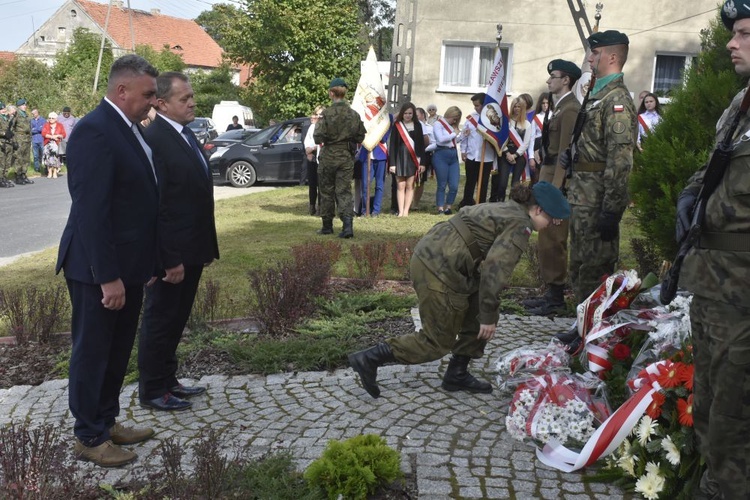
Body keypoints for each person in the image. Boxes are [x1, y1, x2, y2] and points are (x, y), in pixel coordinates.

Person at [348, 181, 571, 398]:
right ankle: (371, 358)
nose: (552, 225)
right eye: (552, 219)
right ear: (538, 210)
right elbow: (495, 271)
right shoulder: (519, 225)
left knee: (477, 311)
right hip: (438, 267)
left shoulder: (510, 209)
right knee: (437, 342)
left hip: (445, 258)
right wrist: (488, 316)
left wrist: (485, 313)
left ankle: (457, 373)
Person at [55, 54, 159, 468]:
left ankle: (107, 420)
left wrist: (143, 265)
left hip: (128, 265)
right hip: (99, 268)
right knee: (94, 351)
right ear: (122, 90)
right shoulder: (95, 131)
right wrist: (108, 277)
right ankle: (89, 436)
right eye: (148, 94)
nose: (154, 101)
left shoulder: (129, 128)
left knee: (116, 351)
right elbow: (91, 212)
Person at [679, 4, 750, 498]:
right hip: (713, 285)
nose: (730, 43)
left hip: (744, 291)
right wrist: (691, 193)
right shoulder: (741, 104)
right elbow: (715, 168)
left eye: (744, 33)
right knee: (707, 403)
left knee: (734, 416)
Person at [139, 72, 220, 412]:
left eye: (191, 97)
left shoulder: (185, 134)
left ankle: (169, 380)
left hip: (193, 246)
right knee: (161, 318)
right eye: (184, 99)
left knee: (177, 317)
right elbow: (159, 205)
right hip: (173, 252)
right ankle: (153, 389)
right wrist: (167, 258)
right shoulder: (155, 139)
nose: (192, 103)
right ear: (161, 102)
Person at [562, 30, 636, 304]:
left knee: (594, 270)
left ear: (612, 56)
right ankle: (581, 326)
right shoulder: (598, 95)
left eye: (595, 53)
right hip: (583, 197)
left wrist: (612, 209)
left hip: (597, 201)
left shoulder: (616, 101)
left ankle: (594, 333)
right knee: (580, 265)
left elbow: (620, 160)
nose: (589, 59)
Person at [523, 59, 581, 316]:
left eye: (553, 76)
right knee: (545, 239)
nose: (548, 81)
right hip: (547, 177)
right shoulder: (559, 108)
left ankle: (556, 298)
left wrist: (556, 190)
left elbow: (567, 152)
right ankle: (550, 292)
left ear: (566, 79)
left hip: (556, 181)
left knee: (554, 240)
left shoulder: (570, 109)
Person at [313, 77, 366, 238]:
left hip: (328, 157)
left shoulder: (326, 114)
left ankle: (327, 226)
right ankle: (347, 227)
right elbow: (360, 136)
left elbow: (317, 137)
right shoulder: (354, 114)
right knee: (344, 192)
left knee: (326, 191)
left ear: (331, 93)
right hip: (346, 158)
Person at [490, 96, 532, 202]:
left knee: (515, 183)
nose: (516, 109)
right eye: (515, 106)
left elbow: (526, 143)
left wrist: (515, 155)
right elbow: (501, 139)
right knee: (502, 182)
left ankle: (513, 204)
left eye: (519, 107)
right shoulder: (506, 122)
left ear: (523, 108)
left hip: (519, 155)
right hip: (505, 154)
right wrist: (508, 153)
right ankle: (500, 202)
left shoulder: (527, 124)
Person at [459, 92, 497, 207]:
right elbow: (465, 136)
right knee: (470, 181)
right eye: (474, 105)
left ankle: (480, 204)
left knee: (483, 182)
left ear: (484, 104)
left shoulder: (492, 119)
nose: (475, 108)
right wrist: (463, 150)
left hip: (486, 157)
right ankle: (467, 202)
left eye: (477, 105)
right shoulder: (471, 118)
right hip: (472, 155)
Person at [388, 102, 425, 217]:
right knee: (400, 185)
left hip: (413, 158)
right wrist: (392, 163)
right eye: (405, 113)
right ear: (402, 114)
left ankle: (406, 211)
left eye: (410, 113)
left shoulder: (418, 125)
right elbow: (393, 145)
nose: (408, 115)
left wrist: (422, 162)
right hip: (399, 157)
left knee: (410, 185)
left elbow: (421, 145)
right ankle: (400, 210)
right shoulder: (397, 125)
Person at [432, 105, 462, 215]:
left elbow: (453, 141)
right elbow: (440, 140)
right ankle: (440, 207)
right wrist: (454, 133)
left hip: (453, 155)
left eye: (457, 119)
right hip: (441, 154)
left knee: (454, 184)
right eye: (454, 118)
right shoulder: (438, 124)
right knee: (442, 184)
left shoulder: (452, 126)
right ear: (450, 114)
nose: (455, 121)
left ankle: (448, 206)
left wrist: (461, 136)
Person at [358, 116, 389, 217]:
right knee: (365, 185)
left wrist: (375, 130)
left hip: (380, 156)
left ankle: (376, 210)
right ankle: (364, 210)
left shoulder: (385, 119)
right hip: (366, 156)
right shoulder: (365, 118)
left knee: (379, 185)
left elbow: (384, 139)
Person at [412, 107, 435, 211]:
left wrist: (424, 149)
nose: (415, 117)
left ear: (423, 116)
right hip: (411, 155)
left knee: (420, 180)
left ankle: (415, 203)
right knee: (410, 179)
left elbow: (434, 142)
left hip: (424, 155)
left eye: (417, 115)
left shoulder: (429, 128)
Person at [304, 105, 324, 216]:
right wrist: (308, 150)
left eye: (320, 114)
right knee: (312, 183)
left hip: (320, 156)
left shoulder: (325, 127)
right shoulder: (312, 127)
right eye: (316, 114)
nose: (318, 117)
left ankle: (321, 207)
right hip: (311, 157)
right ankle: (312, 206)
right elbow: (307, 142)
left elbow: (321, 143)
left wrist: (312, 148)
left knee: (321, 184)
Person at [528, 92, 553, 180]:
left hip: (551, 146)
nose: (545, 105)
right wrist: (531, 157)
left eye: (547, 103)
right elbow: (531, 138)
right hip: (538, 146)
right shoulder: (536, 118)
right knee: (537, 175)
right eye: (543, 103)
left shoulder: (555, 115)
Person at [12, 98, 33, 185]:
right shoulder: (16, 114)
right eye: (23, 105)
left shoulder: (25, 114)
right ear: (19, 106)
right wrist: (14, 140)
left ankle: (24, 174)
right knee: (19, 158)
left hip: (27, 138)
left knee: (26, 158)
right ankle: (18, 176)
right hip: (19, 138)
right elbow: (11, 127)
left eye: (25, 105)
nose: (25, 106)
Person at [41, 112, 66, 178]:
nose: (51, 119)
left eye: (52, 118)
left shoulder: (60, 125)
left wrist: (59, 136)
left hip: (56, 144)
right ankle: (49, 172)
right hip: (48, 143)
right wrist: (52, 137)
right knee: (48, 158)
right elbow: (43, 133)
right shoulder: (46, 125)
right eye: (49, 118)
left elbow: (64, 134)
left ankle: (55, 172)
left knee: (56, 158)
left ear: (56, 119)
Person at [0, 102, 15, 188]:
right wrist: (4, 133)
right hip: (2, 142)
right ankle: (1, 179)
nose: (3, 110)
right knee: (2, 162)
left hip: (8, 142)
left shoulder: (6, 118)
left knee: (7, 162)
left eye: (4, 109)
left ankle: (5, 178)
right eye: (1, 109)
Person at [30, 108, 46, 174]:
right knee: (36, 155)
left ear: (37, 113)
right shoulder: (31, 121)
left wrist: (35, 129)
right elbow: (31, 130)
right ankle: (37, 168)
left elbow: (42, 129)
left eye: (34, 114)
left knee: (43, 155)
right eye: (32, 114)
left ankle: (45, 168)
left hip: (41, 139)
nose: (33, 115)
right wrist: (37, 129)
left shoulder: (43, 120)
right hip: (34, 140)